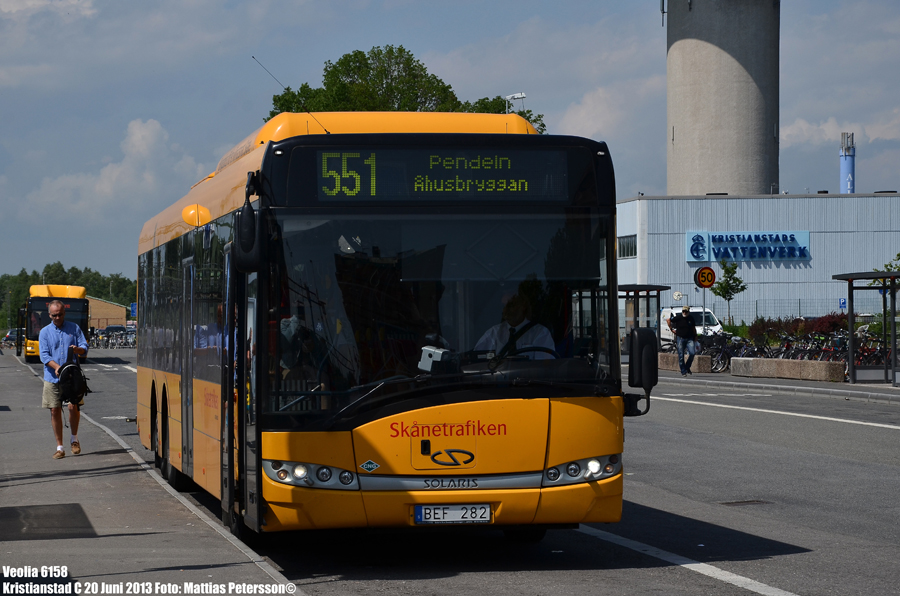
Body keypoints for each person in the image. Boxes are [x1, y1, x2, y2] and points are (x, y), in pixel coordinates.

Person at [39, 300, 89, 459]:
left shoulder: (74, 328)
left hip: (72, 377)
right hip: (52, 377)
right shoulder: (44, 332)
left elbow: (84, 347)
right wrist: (57, 368)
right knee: (54, 410)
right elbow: (44, 355)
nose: (57, 317)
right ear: (49, 315)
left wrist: (78, 349)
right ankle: (60, 447)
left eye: (60, 314)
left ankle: (74, 439)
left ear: (64, 313)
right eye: (54, 315)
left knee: (73, 407)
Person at [474, 293, 555, 360]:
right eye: (503, 306)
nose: (506, 310)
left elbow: (545, 367)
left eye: (511, 305)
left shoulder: (540, 333)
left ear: (523, 305)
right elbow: (477, 360)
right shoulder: (493, 334)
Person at [668, 305, 697, 376]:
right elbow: (668, 320)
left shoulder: (691, 318)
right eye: (683, 311)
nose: (684, 313)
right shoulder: (678, 317)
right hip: (680, 338)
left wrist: (695, 335)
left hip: (689, 338)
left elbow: (693, 328)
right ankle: (683, 371)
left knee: (692, 353)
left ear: (688, 312)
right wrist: (671, 329)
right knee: (681, 355)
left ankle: (687, 367)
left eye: (686, 311)